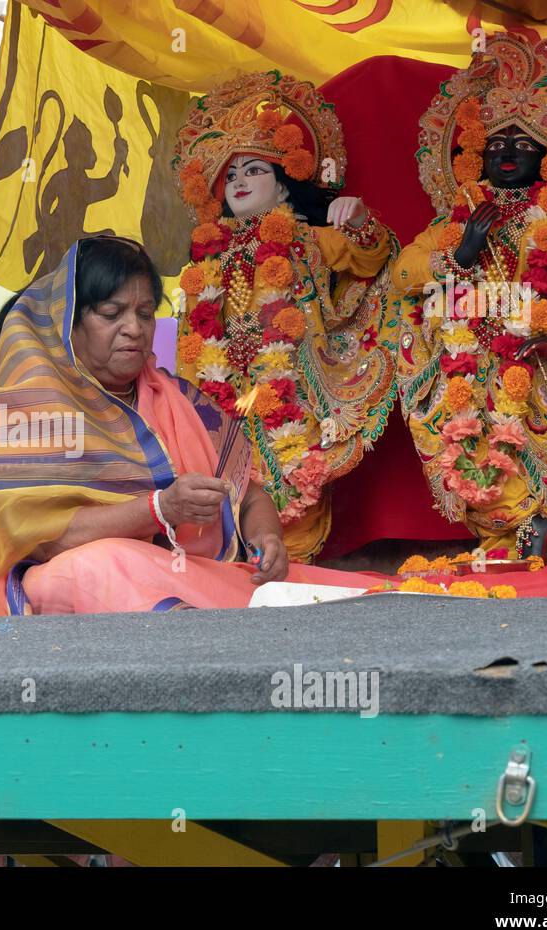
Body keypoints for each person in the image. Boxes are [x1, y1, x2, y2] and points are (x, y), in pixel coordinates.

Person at [0, 237, 365, 617]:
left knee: (338, 604)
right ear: (67, 322)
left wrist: (266, 535)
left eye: (145, 314)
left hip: (194, 575)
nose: (134, 329)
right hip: (61, 581)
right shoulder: (25, 404)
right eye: (112, 314)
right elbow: (45, 541)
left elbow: (246, 493)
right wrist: (159, 509)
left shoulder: (177, 398)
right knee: (103, 563)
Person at [391, 34, 547, 557]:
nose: (507, 155)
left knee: (529, 450)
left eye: (521, 145)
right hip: (466, 366)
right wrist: (461, 255)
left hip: (537, 369)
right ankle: (509, 544)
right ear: (475, 157)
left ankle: (535, 538)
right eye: (494, 146)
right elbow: (404, 276)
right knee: (474, 455)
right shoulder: (456, 223)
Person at [171, 72, 399, 564]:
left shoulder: (308, 239)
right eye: (229, 176)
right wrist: (193, 410)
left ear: (283, 184)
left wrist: (358, 220)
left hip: (295, 391)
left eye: (253, 170)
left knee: (297, 492)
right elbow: (191, 341)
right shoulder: (205, 265)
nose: (239, 182)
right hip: (226, 395)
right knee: (226, 489)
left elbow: (372, 258)